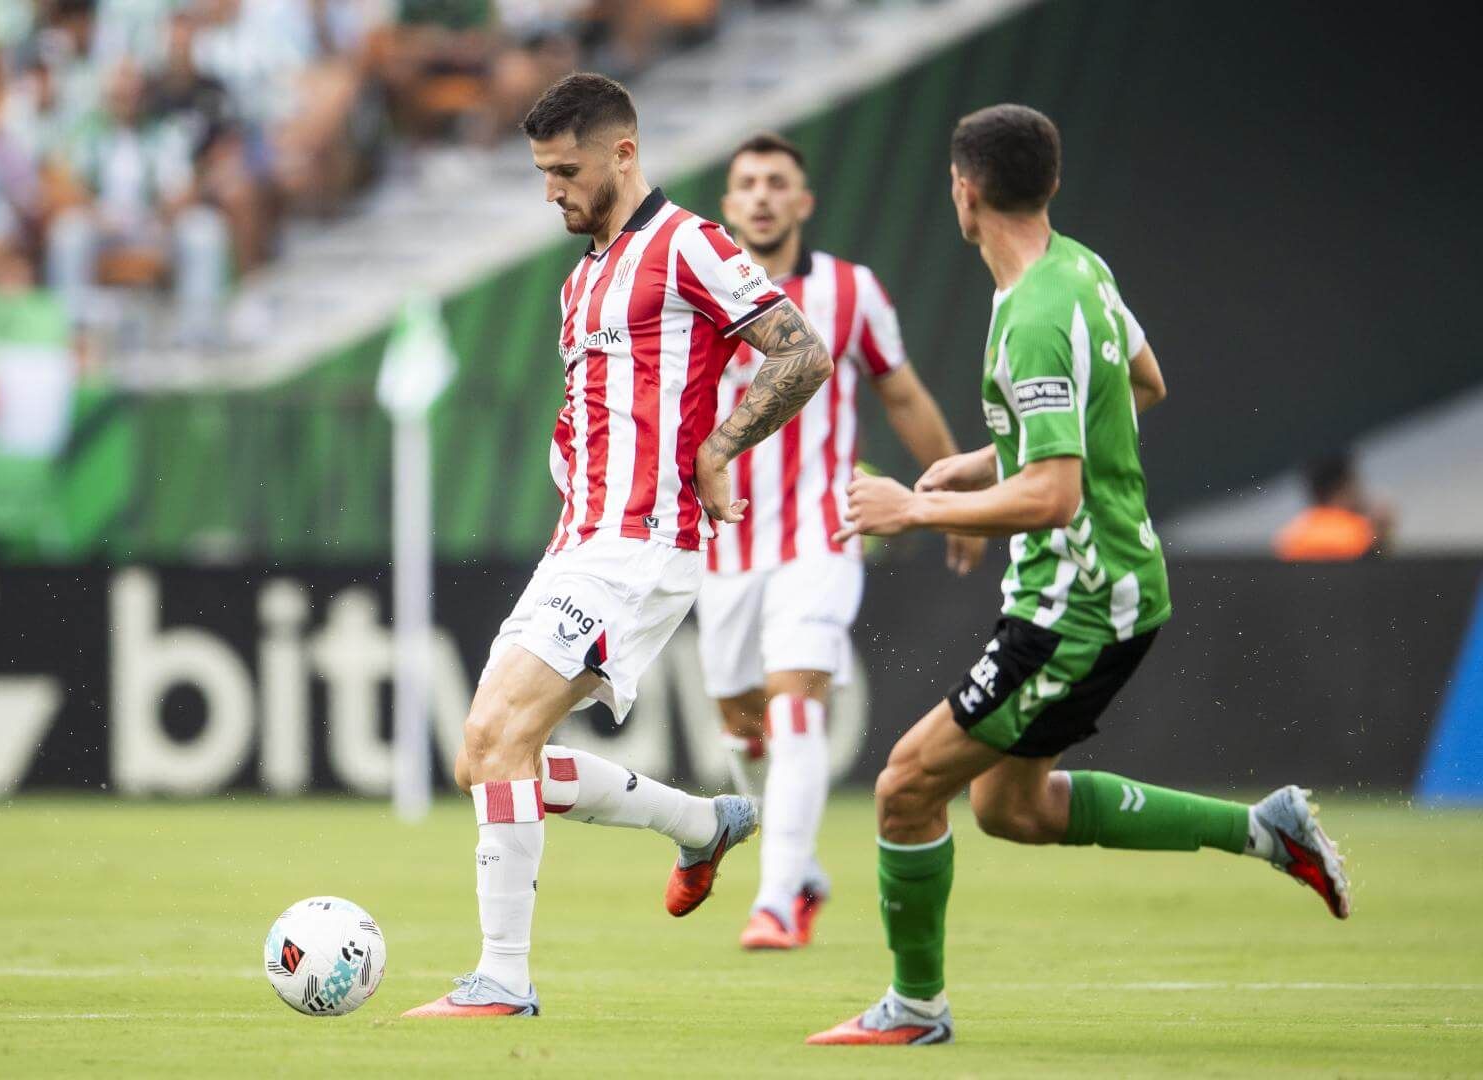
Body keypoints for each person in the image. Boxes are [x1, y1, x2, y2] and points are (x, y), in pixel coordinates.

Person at [806, 104, 1351, 1047]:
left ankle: (916, 1008)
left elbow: (1055, 498)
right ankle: (1268, 830)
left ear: (963, 191)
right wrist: (990, 458)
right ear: (1049, 186)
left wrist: (916, 508)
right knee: (1009, 808)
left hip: (1078, 604)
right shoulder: (1082, 271)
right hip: (1098, 586)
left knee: (904, 788)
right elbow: (1144, 382)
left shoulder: (1034, 316)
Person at [402, 72, 837, 1018]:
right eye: (542, 173)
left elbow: (802, 352)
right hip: (580, 542)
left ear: (623, 153)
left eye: (565, 171)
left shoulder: (690, 245)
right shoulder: (581, 282)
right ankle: (701, 823)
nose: (550, 190)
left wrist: (721, 447)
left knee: (495, 737)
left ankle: (503, 980)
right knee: (486, 759)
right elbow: (598, 413)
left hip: (643, 545)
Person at [698, 133, 981, 951]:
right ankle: (803, 868)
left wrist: (951, 495)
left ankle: (779, 895)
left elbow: (901, 395)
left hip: (823, 533)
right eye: (745, 182)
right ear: (727, 204)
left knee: (794, 704)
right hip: (724, 544)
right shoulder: (701, 291)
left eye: (775, 182)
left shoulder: (852, 292)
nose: (759, 195)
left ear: (803, 202)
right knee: (742, 726)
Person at [1273, 452, 1392, 561]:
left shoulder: (1290, 536)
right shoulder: (1360, 532)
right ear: (1343, 487)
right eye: (1355, 484)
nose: (1361, 492)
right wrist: (1379, 539)